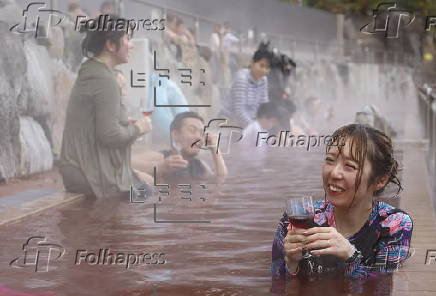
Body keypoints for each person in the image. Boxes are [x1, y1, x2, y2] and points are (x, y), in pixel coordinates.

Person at [271, 124, 413, 280]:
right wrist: (291, 264)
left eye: (349, 166)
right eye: (330, 160)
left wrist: (349, 255)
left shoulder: (393, 224)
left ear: (380, 180)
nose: (334, 173)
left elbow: (382, 285)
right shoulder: (299, 219)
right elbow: (276, 284)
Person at [59, 15, 153, 198]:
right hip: (87, 172)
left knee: (147, 183)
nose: (131, 45)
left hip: (82, 166)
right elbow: (109, 136)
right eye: (127, 38)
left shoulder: (96, 71)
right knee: (149, 197)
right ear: (110, 45)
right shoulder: (103, 79)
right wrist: (139, 128)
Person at [132, 112, 228, 184]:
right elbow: (124, 163)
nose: (199, 137)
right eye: (192, 130)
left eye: (201, 133)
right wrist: (159, 167)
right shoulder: (161, 157)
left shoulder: (199, 165)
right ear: (175, 134)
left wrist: (214, 148)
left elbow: (220, 179)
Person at [220, 43, 273, 129]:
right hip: (230, 119)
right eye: (261, 65)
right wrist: (255, 128)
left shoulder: (264, 80)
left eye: (267, 68)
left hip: (251, 121)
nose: (264, 70)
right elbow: (239, 111)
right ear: (252, 63)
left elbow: (264, 106)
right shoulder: (242, 79)